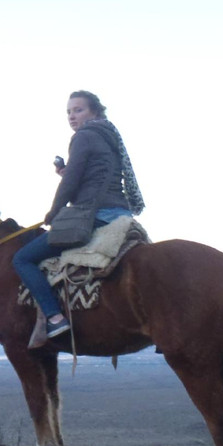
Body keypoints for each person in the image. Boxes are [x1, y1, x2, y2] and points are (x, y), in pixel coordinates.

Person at [12, 90, 144, 339]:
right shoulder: (110, 137)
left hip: (98, 215)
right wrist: (68, 172)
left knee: (22, 259)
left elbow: (71, 183)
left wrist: (54, 212)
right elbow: (96, 176)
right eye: (69, 112)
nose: (72, 116)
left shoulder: (84, 136)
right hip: (122, 214)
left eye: (78, 110)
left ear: (94, 111)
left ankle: (54, 317)